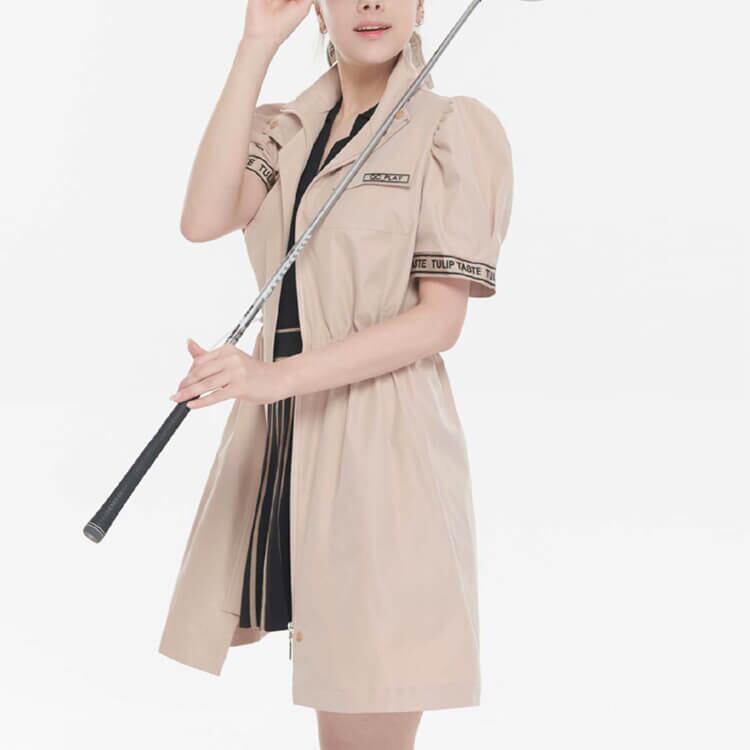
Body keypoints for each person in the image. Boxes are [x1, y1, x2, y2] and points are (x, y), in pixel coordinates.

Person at [163, 1, 513, 748]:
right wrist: (257, 42)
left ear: (423, 4)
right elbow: (202, 219)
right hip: (278, 438)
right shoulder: (282, 127)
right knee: (332, 695)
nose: (371, 3)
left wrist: (272, 378)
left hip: (382, 442)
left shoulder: (451, 130)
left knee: (369, 693)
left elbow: (438, 323)